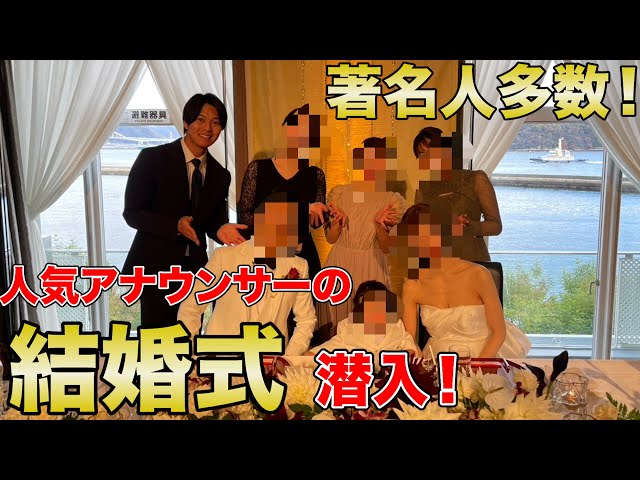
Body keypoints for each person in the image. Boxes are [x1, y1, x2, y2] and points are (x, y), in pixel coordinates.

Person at [122, 92, 248, 329]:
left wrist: (221, 229)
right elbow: (132, 213)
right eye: (201, 120)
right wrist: (175, 226)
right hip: (156, 268)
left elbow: (213, 221)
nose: (207, 128)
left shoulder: (221, 175)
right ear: (186, 122)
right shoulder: (153, 158)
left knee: (189, 335)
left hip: (195, 271)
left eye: (215, 122)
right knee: (156, 339)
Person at [178, 191, 317, 356]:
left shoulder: (298, 266)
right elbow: (191, 307)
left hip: (270, 362)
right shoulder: (224, 257)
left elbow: (306, 320)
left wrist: (287, 359)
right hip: (221, 359)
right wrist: (193, 355)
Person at [398, 201, 530, 359]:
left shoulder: (478, 275)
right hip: (437, 361)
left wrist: (478, 367)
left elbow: (499, 333)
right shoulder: (412, 285)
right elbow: (409, 340)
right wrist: (415, 357)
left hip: (483, 356)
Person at [317, 137, 406, 342]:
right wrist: (337, 223)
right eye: (368, 158)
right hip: (340, 263)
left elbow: (387, 247)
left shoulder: (392, 200)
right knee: (336, 328)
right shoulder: (340, 193)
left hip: (372, 266)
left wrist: (379, 226)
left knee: (371, 328)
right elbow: (330, 238)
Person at [237, 103, 333, 281]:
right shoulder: (258, 169)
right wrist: (303, 209)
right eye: (294, 124)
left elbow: (315, 223)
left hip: (302, 256)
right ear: (283, 129)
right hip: (265, 259)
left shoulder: (315, 175)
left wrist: (326, 213)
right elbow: (245, 216)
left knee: (305, 300)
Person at [413, 126, 502, 262]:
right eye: (422, 154)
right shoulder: (424, 188)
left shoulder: (476, 179)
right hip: (437, 261)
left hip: (472, 259)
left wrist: (469, 226)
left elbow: (496, 226)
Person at [305, 280, 419, 370]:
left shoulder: (396, 325)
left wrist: (409, 352)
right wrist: (307, 357)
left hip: (390, 378)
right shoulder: (347, 327)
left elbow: (407, 343)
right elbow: (330, 347)